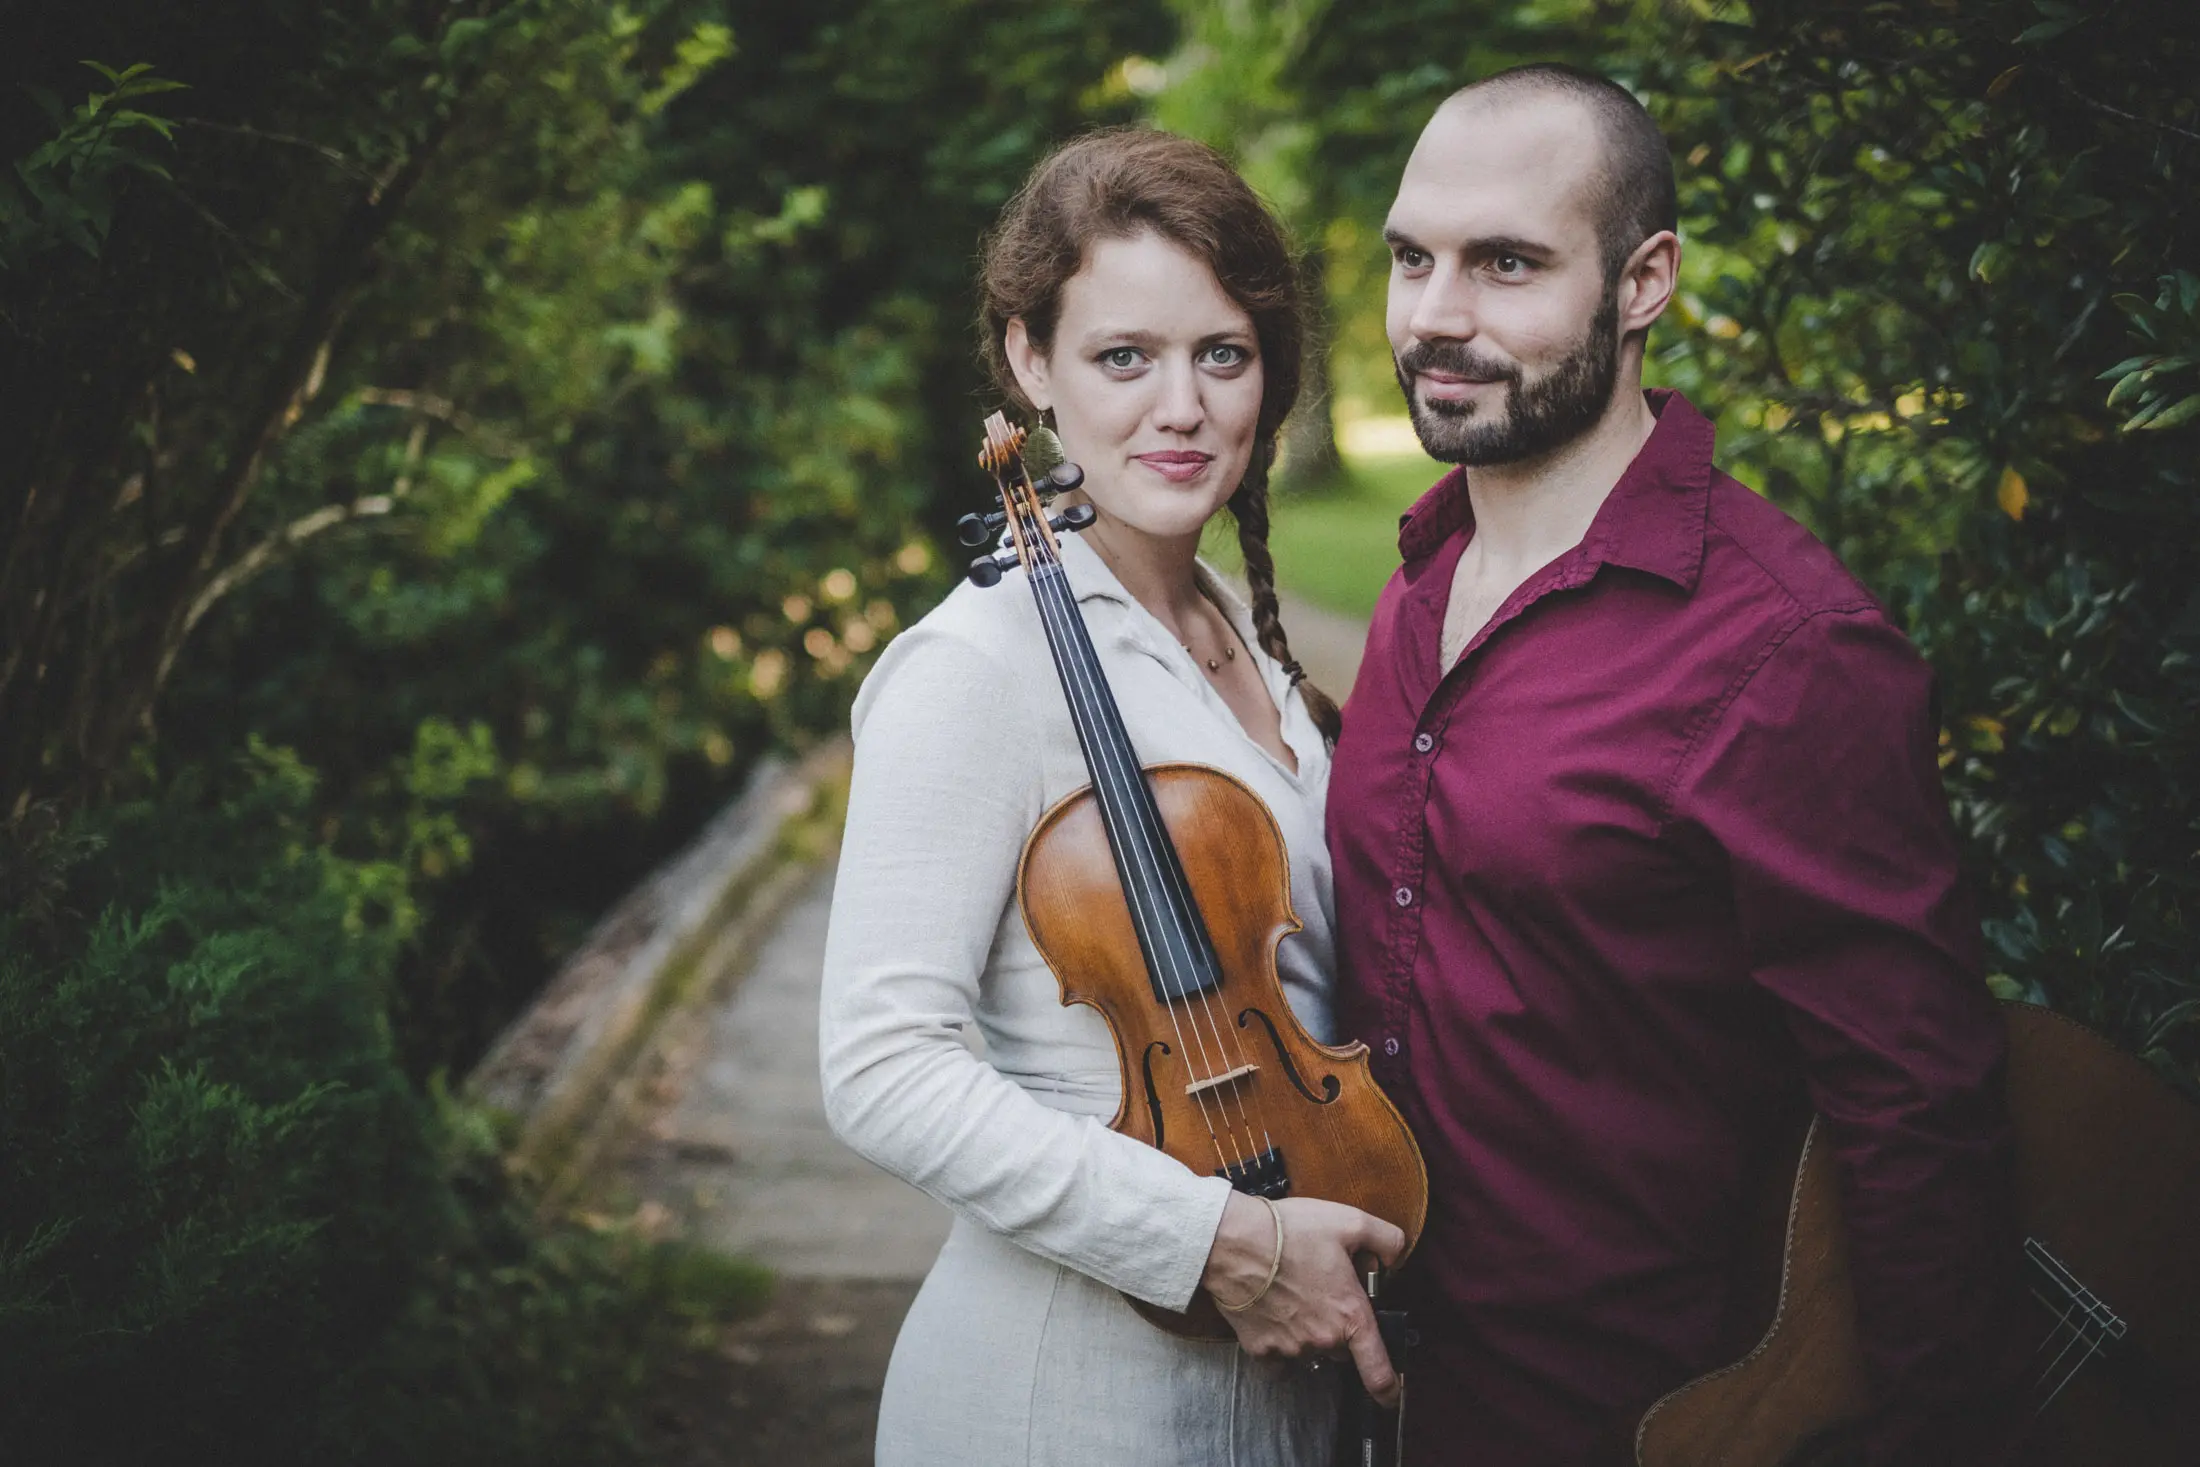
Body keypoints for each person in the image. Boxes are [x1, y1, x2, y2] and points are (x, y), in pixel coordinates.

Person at [1326, 64, 2024, 1464]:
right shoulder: (1420, 578)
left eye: (1506, 263)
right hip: (1385, 1396)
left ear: (1644, 282)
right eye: (1412, 259)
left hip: (1642, 1419)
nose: (1436, 316)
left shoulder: (1791, 651)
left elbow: (1915, 1115)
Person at [818, 128, 1405, 1467]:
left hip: (1289, 1398)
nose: (1181, 407)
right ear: (1031, 363)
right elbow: (881, 1066)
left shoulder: (1236, 632)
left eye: (1223, 355)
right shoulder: (975, 666)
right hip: (1067, 1405)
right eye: (1124, 357)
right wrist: (1217, 1241)